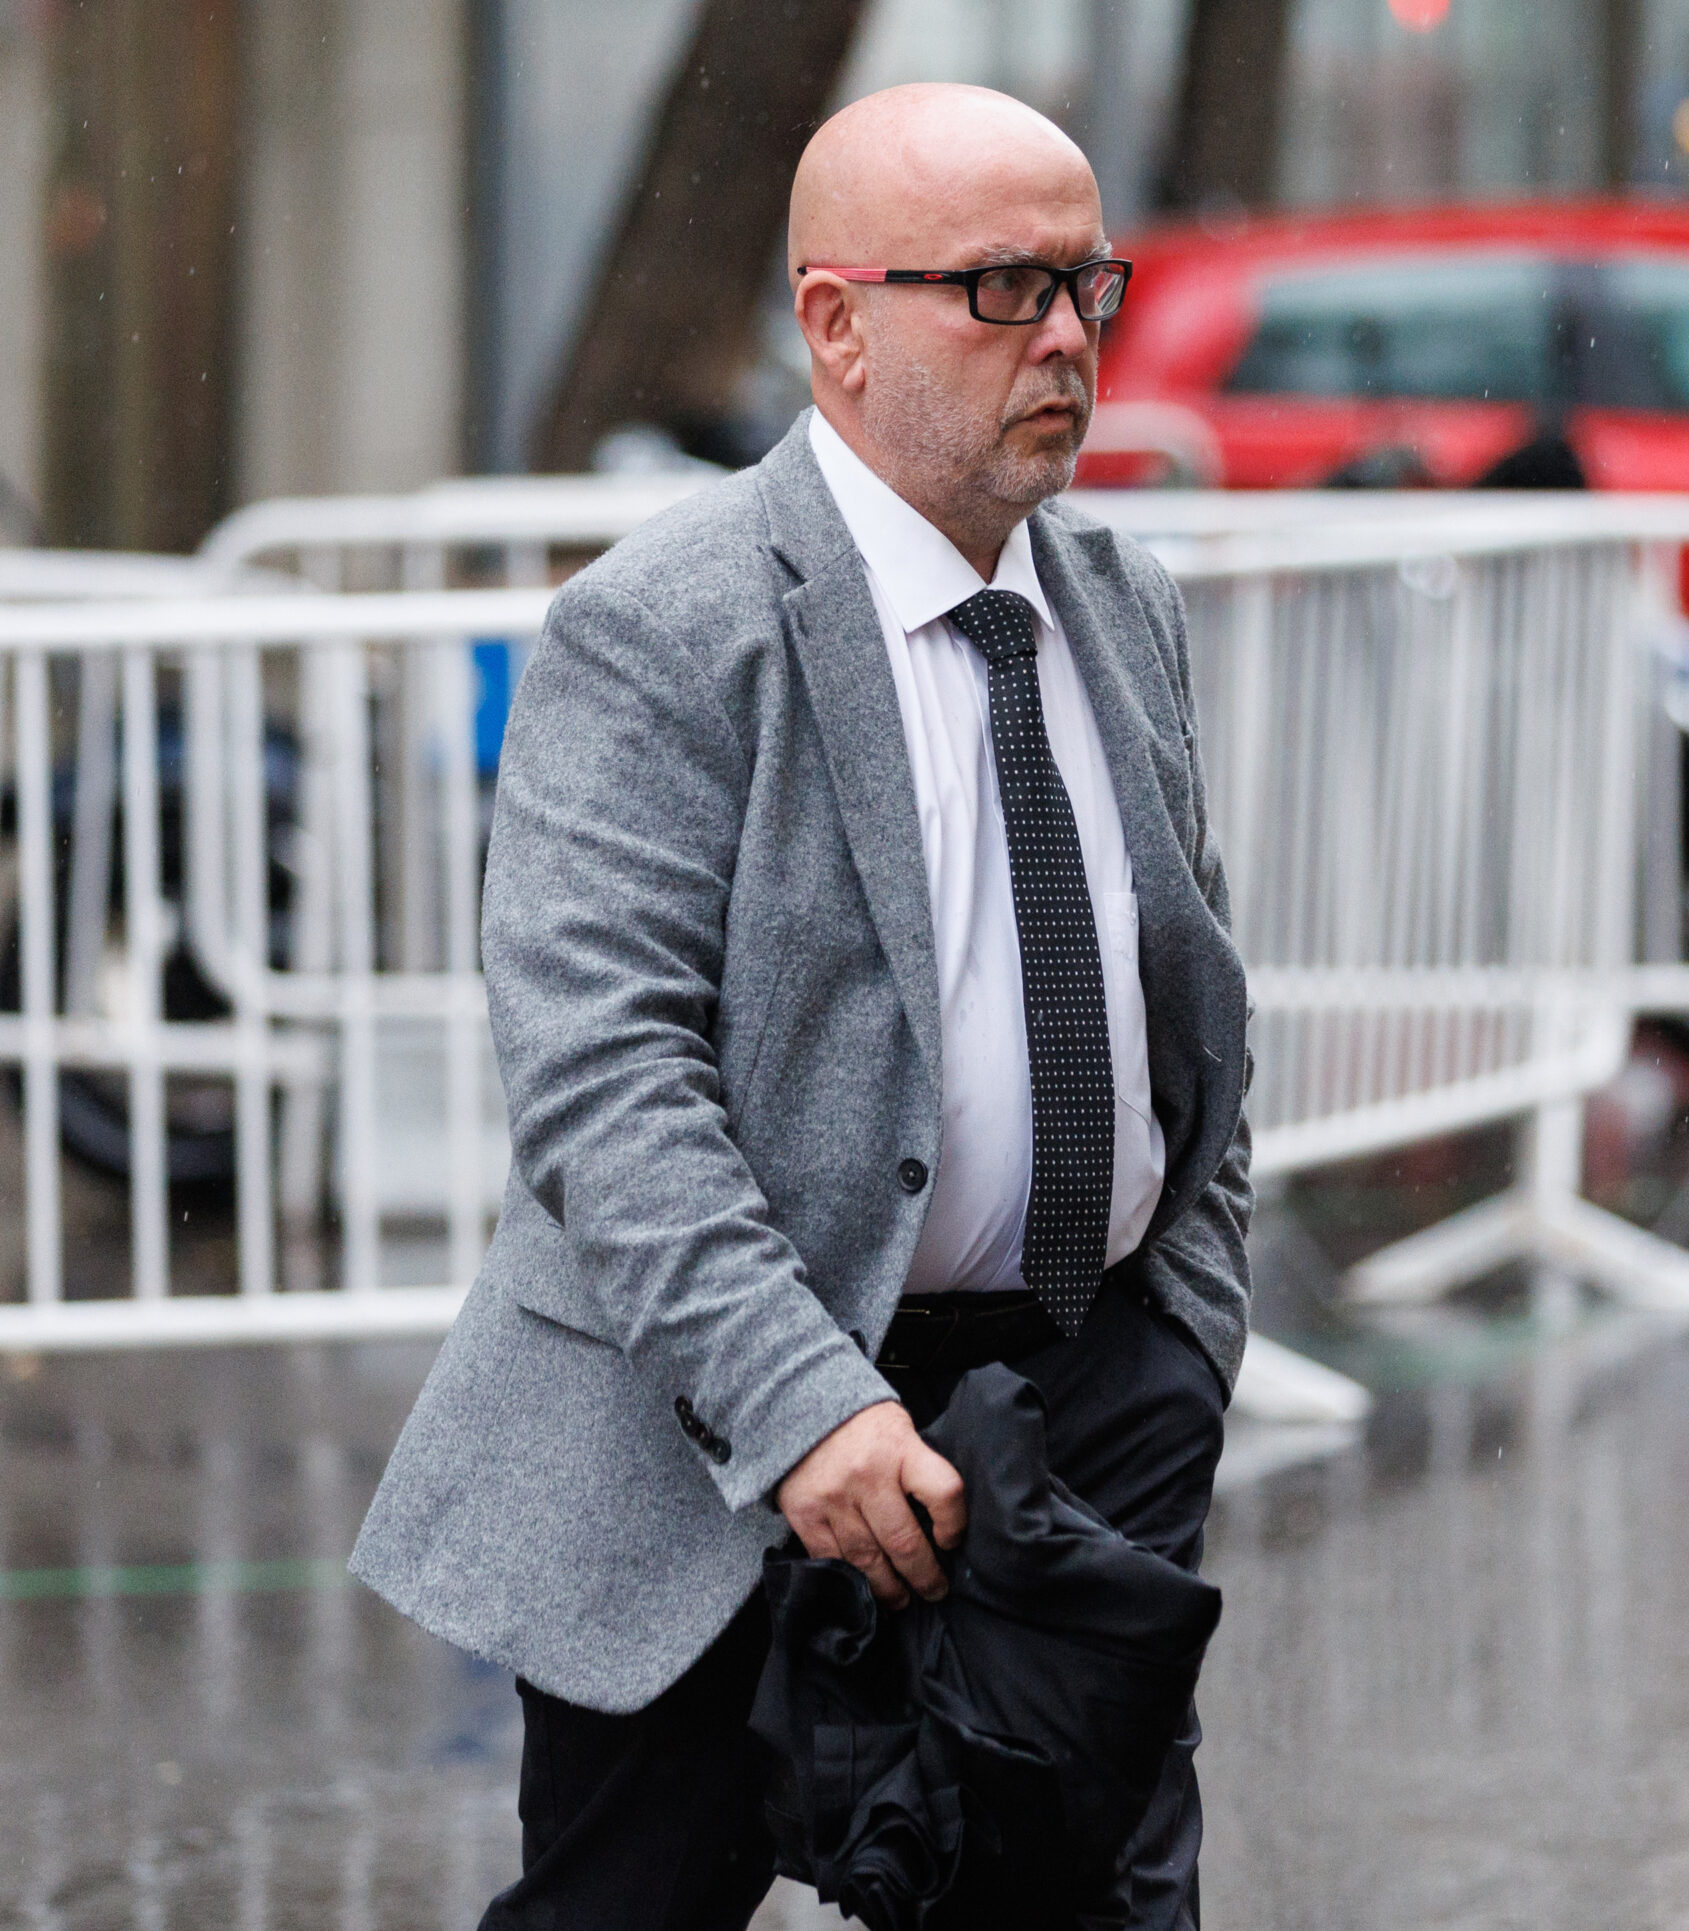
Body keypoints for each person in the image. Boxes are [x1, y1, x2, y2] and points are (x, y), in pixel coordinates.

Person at [349, 83, 1251, 1931]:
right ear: (836, 325)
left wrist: (1181, 1346)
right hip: (718, 1443)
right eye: (1002, 289)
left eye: (1088, 283)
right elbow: (604, 1081)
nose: (1066, 337)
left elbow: (1190, 1013)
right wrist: (804, 1411)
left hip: (1067, 1418)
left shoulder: (1121, 602)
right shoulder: (661, 624)